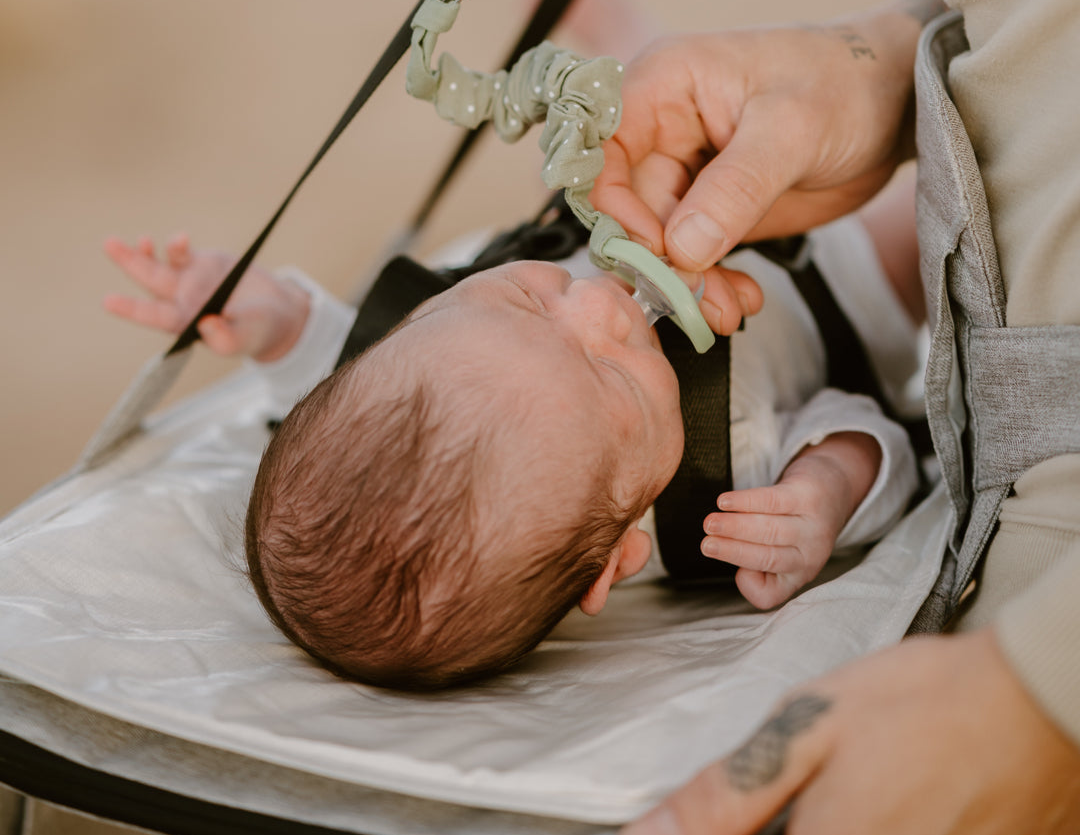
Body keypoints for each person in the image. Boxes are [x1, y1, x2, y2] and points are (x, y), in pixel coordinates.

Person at [594, 0, 1080, 835]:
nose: (586, 310)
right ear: (602, 569)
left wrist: (1048, 698)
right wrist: (882, 57)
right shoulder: (682, 498)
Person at [102, 159, 922, 690]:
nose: (600, 301)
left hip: (657, 200)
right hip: (836, 286)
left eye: (526, 298)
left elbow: (335, 357)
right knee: (923, 212)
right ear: (614, 559)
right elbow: (862, 427)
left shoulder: (430, 368)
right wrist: (827, 487)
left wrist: (275, 321)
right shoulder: (714, 500)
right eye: (612, 372)